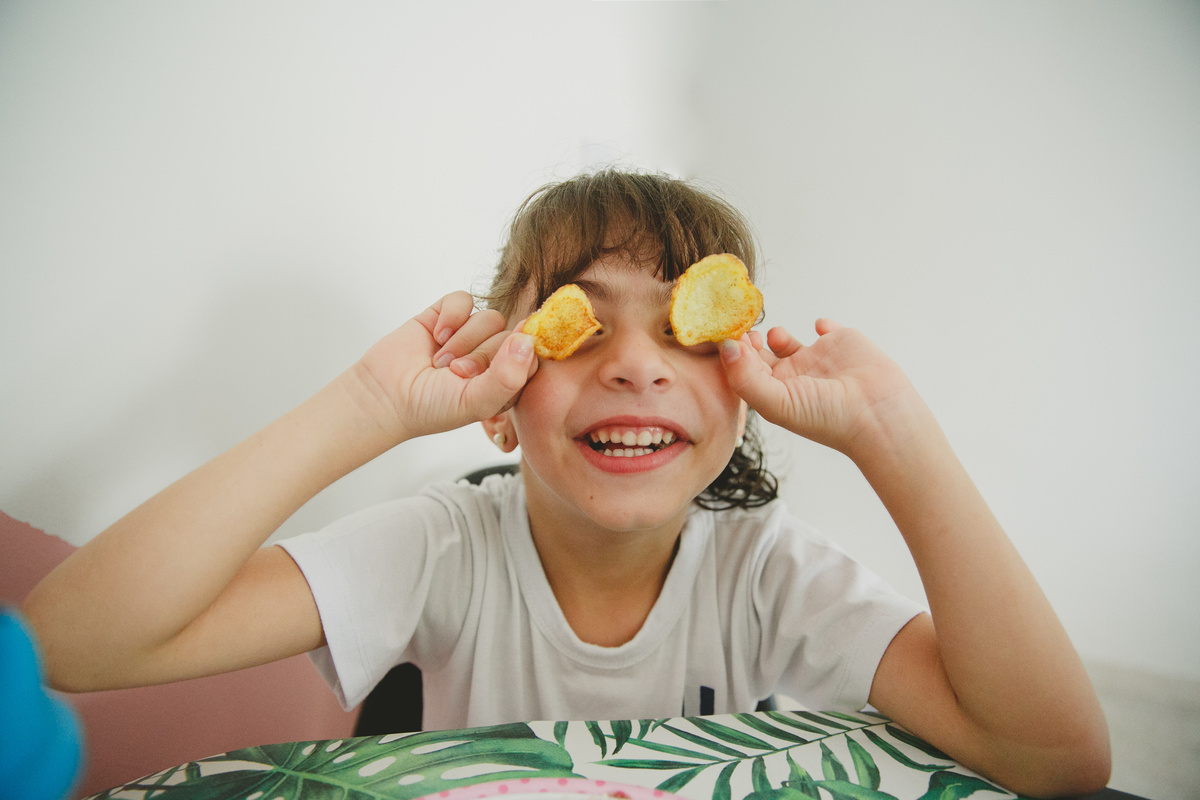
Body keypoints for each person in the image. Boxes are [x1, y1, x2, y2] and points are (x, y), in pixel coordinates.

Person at [22, 170, 1110, 797]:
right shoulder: (441, 546)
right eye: (577, 322)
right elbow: (68, 641)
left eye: (690, 323)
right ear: (499, 388)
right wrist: (365, 404)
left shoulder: (767, 570)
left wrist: (895, 436)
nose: (635, 362)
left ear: (742, 387)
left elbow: (1054, 752)